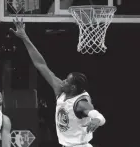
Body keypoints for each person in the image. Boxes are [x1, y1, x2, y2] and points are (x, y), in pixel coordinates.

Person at [10, 18, 106, 147]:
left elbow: (99, 116)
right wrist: (24, 37)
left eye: (67, 80)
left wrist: (96, 120)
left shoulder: (81, 103)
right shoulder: (61, 89)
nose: (63, 81)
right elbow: (40, 64)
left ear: (72, 87)